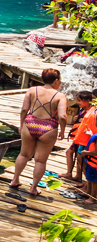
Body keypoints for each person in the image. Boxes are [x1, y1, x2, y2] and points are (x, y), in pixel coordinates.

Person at [10, 68, 68, 196]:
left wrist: (21, 125)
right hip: (48, 127)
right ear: (56, 80)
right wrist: (62, 131)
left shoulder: (32, 90)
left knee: (24, 154)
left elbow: (24, 110)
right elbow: (62, 116)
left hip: (30, 124)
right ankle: (34, 188)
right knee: (40, 161)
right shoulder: (59, 96)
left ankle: (15, 180)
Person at [67, 91, 95, 182]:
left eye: (80, 100)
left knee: (81, 159)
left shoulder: (92, 111)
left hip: (85, 139)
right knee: (76, 156)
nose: (78, 103)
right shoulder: (83, 110)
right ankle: (77, 176)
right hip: (78, 138)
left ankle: (86, 182)